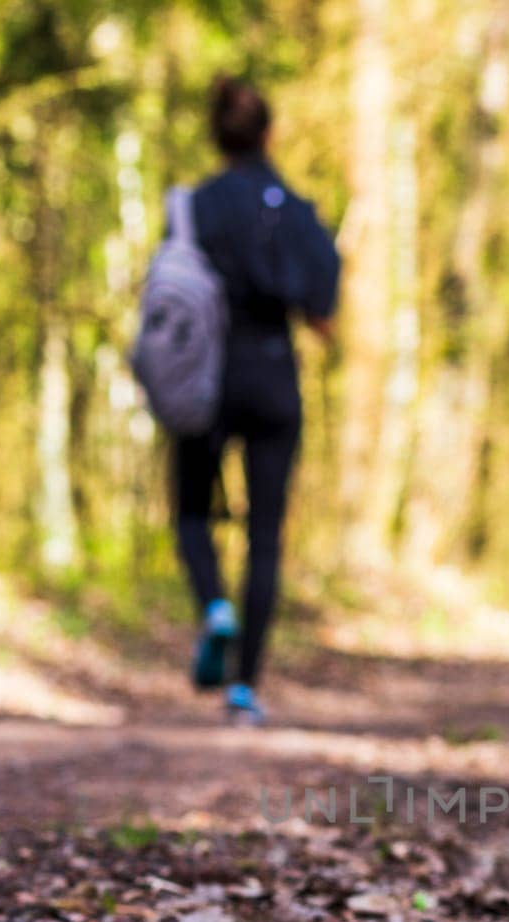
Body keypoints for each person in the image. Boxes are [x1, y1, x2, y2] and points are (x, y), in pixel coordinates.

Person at [175, 75, 340, 725]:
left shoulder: (192, 207)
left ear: (216, 137)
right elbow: (322, 312)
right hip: (272, 377)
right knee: (264, 536)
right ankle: (244, 688)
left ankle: (215, 606)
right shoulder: (295, 211)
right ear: (269, 134)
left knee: (192, 512)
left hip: (203, 377)